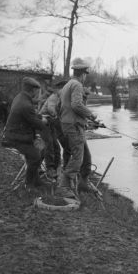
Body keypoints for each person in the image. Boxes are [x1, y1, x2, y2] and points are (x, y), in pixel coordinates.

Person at [56, 58, 100, 198]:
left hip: (72, 124)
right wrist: (91, 115)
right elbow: (76, 105)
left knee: (86, 156)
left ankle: (83, 183)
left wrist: (83, 121)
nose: (85, 77)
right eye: (85, 75)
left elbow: (60, 107)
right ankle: (64, 186)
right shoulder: (77, 85)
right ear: (83, 74)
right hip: (73, 126)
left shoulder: (67, 85)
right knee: (77, 157)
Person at [2, 77, 50, 187]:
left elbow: (29, 115)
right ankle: (29, 184)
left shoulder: (20, 97)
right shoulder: (25, 104)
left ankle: (36, 180)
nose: (37, 93)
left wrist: (40, 116)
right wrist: (44, 121)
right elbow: (36, 123)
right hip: (16, 138)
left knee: (40, 150)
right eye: (36, 90)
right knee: (35, 156)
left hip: (17, 134)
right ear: (32, 90)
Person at [39, 78, 68, 178]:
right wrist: (57, 115)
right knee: (49, 145)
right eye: (65, 89)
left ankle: (55, 167)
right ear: (59, 89)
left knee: (56, 146)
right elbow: (52, 109)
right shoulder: (54, 97)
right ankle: (50, 169)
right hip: (43, 123)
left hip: (51, 124)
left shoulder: (62, 98)